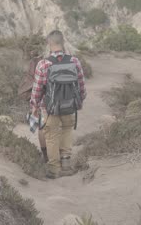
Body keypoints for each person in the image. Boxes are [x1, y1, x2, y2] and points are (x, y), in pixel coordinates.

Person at [30, 30, 87, 179]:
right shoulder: (74, 61)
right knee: (67, 130)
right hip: (70, 106)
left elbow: (37, 90)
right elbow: (81, 86)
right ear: (63, 43)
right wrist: (79, 102)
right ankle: (66, 164)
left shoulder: (43, 64)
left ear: (49, 44)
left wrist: (34, 106)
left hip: (50, 108)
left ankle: (54, 169)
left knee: (51, 136)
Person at [17, 48, 48, 163]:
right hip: (61, 101)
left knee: (42, 127)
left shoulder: (36, 62)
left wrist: (34, 104)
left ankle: (45, 156)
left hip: (42, 101)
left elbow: (33, 83)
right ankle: (61, 157)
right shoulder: (67, 59)